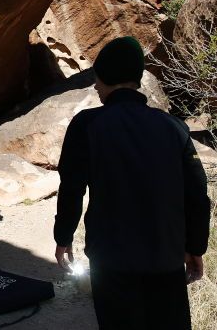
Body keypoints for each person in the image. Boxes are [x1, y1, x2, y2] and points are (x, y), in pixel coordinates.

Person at [53, 36, 211, 330]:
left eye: (97, 79)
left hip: (112, 260)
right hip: (166, 256)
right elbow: (197, 195)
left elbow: (72, 188)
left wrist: (63, 237)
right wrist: (195, 247)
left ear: (106, 77)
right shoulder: (173, 126)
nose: (96, 87)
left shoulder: (87, 125)